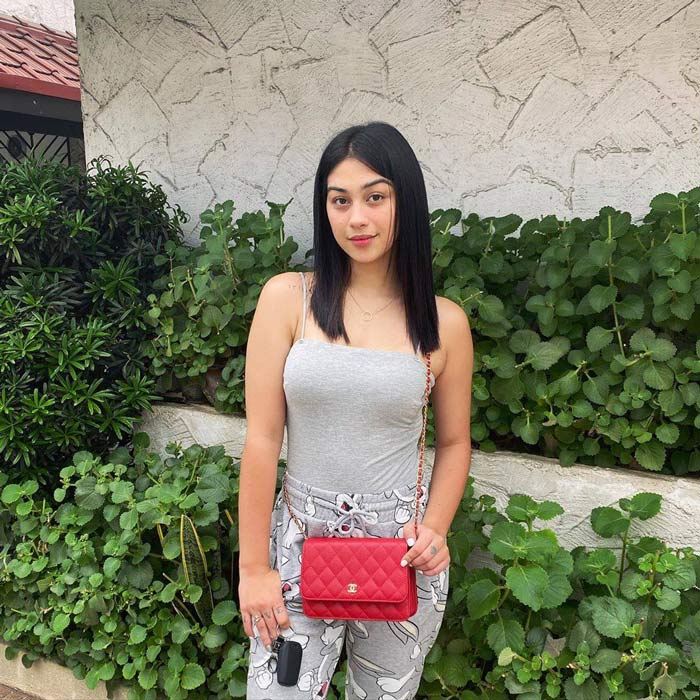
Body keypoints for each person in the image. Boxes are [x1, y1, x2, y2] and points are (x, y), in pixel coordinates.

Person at [239, 121, 473, 699]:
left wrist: (436, 528)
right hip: (299, 544)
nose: (357, 219)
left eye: (375, 197)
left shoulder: (444, 323)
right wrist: (253, 569)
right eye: (339, 201)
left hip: (402, 554)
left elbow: (454, 442)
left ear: (405, 201)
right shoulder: (288, 299)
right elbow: (262, 440)